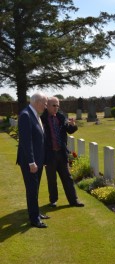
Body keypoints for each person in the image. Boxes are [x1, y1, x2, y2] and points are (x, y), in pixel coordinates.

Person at [41, 97, 84, 207]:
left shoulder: (60, 116)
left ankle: (73, 200)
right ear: (47, 105)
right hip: (49, 154)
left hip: (61, 153)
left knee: (67, 178)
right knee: (52, 179)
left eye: (57, 105)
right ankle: (53, 200)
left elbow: (69, 130)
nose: (56, 107)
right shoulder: (42, 118)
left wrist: (73, 125)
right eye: (53, 105)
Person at [17, 92, 49, 228]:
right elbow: (26, 141)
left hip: (38, 160)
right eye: (45, 103)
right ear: (37, 102)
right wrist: (31, 162)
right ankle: (34, 219)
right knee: (31, 189)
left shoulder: (35, 114)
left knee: (35, 188)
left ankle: (36, 212)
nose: (46, 106)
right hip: (30, 162)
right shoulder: (25, 115)